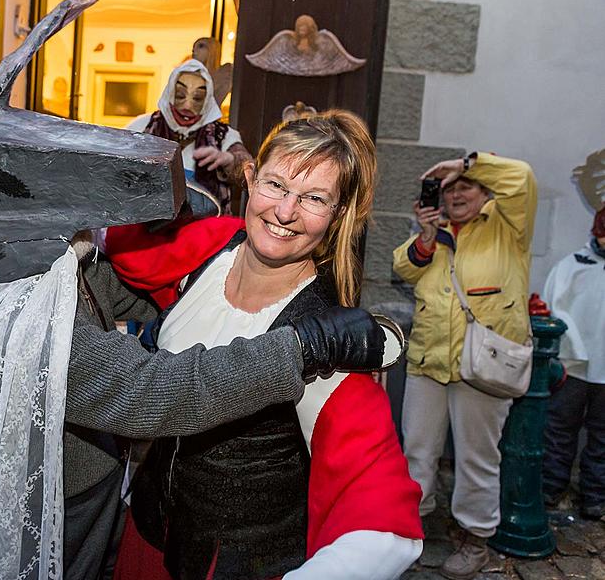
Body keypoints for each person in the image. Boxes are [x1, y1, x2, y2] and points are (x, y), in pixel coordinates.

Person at [120, 110, 423, 580]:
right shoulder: (213, 249)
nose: (284, 212)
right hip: (147, 533)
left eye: (313, 198)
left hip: (230, 565)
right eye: (276, 186)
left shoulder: (323, 342)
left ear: (338, 214)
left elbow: (381, 509)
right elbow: (129, 254)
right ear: (249, 177)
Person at [393, 152, 537, 580]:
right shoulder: (433, 234)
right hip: (429, 360)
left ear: (484, 191)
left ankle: (475, 538)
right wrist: (425, 235)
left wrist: (466, 164)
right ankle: (409, 529)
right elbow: (403, 266)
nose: (456, 193)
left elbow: (523, 177)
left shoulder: (508, 226)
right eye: (449, 188)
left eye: (465, 186)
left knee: (477, 458)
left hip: (483, 365)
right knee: (417, 452)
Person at [541, 206, 605, 520]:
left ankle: (595, 495)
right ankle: (552, 486)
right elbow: (555, 307)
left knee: (603, 436)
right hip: (575, 364)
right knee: (560, 428)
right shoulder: (575, 265)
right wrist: (575, 347)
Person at [126, 59, 252, 214]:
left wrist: (230, 161)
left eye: (197, 98)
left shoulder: (223, 136)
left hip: (204, 232)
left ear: (206, 102)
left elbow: (249, 169)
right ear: (170, 93)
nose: (187, 106)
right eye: (180, 95)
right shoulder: (141, 127)